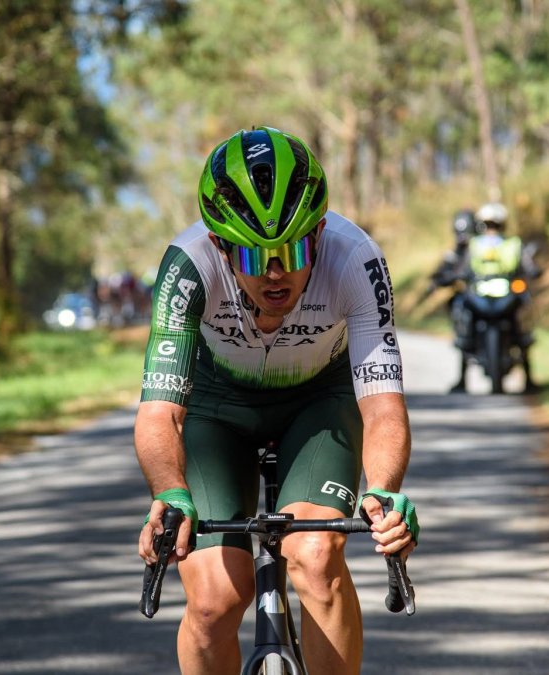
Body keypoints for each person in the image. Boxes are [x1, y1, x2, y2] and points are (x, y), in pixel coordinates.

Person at [134, 126, 420, 675]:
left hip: (320, 403)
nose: (274, 272)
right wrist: (169, 492)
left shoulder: (356, 258)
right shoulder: (187, 265)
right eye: (251, 252)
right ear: (218, 244)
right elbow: (160, 409)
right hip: (216, 407)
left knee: (316, 561)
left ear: (319, 233)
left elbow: (382, 404)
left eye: (293, 249)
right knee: (215, 600)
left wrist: (385, 490)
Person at [449, 201, 541, 393]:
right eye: (489, 225)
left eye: (494, 225)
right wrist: (455, 274)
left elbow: (528, 264)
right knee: (464, 324)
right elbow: (462, 267)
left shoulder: (512, 244)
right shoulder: (475, 245)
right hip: (479, 295)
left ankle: (529, 378)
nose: (492, 229)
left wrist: (533, 270)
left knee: (522, 326)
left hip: (507, 295)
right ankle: (462, 378)